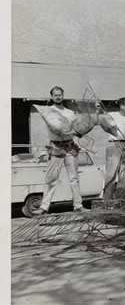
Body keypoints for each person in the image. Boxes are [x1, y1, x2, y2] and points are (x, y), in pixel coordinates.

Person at [31, 86, 89, 216]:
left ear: (63, 96)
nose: (58, 97)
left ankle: (78, 205)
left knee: (74, 177)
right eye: (55, 95)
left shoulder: (70, 113)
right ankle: (44, 207)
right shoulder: (48, 111)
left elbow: (77, 129)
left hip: (70, 146)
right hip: (56, 147)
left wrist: (80, 132)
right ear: (51, 96)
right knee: (51, 178)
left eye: (60, 95)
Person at [102, 97, 125, 201]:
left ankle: (119, 200)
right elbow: (104, 124)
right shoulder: (112, 115)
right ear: (121, 106)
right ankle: (107, 201)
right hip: (114, 144)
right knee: (111, 174)